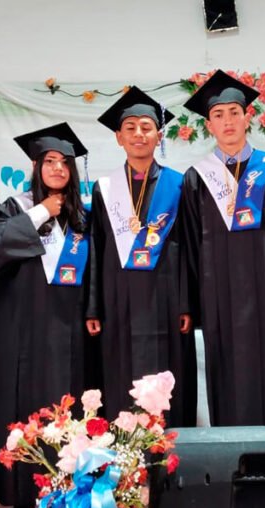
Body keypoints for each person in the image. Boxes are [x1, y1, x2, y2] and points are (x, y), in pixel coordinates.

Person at [0, 123, 91, 508]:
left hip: (69, 328)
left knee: (70, 407)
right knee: (27, 406)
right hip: (24, 327)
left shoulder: (82, 216)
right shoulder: (14, 207)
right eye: (50, 161)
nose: (58, 169)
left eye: (65, 163)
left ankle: (68, 489)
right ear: (35, 165)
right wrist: (41, 212)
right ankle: (22, 496)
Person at [179, 71, 265, 426]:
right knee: (227, 371)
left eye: (234, 112)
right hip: (220, 300)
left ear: (248, 116)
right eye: (219, 115)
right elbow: (188, 245)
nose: (228, 121)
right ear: (208, 124)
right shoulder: (197, 178)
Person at [86, 87, 197, 426]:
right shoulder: (105, 188)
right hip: (119, 300)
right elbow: (96, 247)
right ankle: (126, 467)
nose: (139, 133)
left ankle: (175, 465)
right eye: (130, 127)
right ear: (118, 136)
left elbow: (188, 246)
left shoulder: (179, 185)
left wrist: (186, 304)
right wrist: (95, 307)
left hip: (165, 300)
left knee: (169, 380)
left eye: (146, 126)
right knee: (122, 377)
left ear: (159, 135)